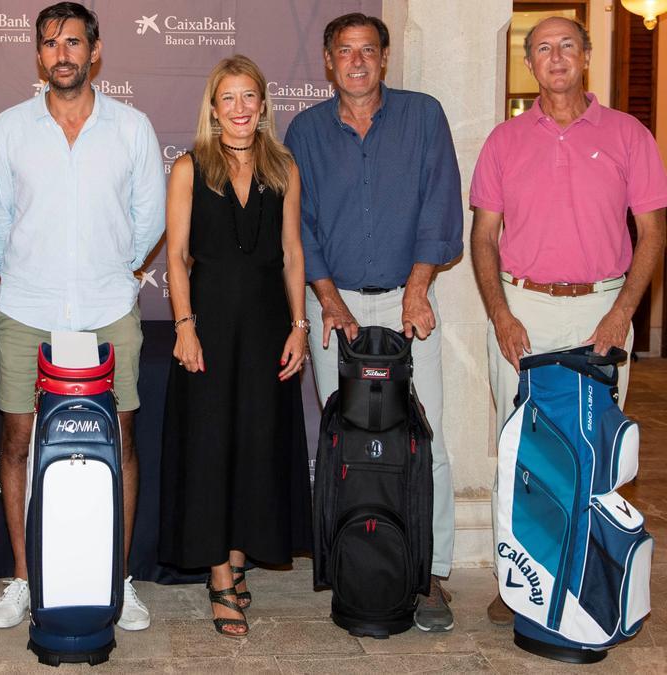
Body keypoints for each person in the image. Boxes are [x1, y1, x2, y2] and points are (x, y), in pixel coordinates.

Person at [469, 16, 667, 625]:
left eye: (567, 47)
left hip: (601, 310)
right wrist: (500, 313)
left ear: (585, 57)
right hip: (522, 307)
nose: (556, 58)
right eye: (543, 49)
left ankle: (587, 575)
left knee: (595, 452)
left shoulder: (630, 134)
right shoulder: (503, 140)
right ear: (530, 63)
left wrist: (621, 315)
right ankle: (518, 582)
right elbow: (482, 237)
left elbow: (653, 233)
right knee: (520, 452)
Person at [0, 1, 165, 632]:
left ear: (95, 50)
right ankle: (23, 579)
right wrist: (19, 273)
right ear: (39, 55)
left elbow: (151, 220)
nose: (61, 53)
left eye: (72, 42)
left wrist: (115, 271)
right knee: (16, 439)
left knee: (121, 438)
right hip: (26, 307)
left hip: (108, 307)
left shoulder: (132, 127)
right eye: (49, 43)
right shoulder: (8, 128)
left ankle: (118, 579)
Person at [284, 12, 463, 632]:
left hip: (407, 303)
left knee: (424, 435)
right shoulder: (304, 130)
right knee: (344, 443)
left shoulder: (424, 116)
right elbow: (299, 223)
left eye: (367, 50)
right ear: (328, 62)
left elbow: (440, 204)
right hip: (335, 307)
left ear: (384, 59)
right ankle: (351, 563)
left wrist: (418, 288)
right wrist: (328, 301)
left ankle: (432, 571)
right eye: (343, 51)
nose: (356, 61)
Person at [158, 55, 310, 638]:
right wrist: (184, 324)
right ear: (214, 106)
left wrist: (298, 325)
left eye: (251, 97)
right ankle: (220, 576)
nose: (241, 108)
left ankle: (240, 559)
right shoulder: (190, 167)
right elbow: (175, 256)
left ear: (263, 104)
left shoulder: (284, 168)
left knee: (256, 444)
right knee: (211, 446)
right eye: (230, 98)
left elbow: (293, 252)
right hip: (210, 327)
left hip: (270, 327)